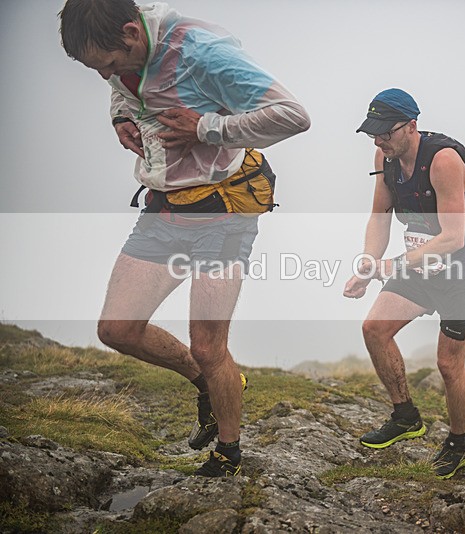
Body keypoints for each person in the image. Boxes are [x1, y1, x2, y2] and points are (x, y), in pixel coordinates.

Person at [59, 0, 310, 477]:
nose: (106, 75)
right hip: (165, 205)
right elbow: (120, 83)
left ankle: (228, 453)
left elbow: (293, 115)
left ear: (132, 33)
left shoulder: (201, 52)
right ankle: (208, 385)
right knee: (117, 330)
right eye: (97, 70)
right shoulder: (121, 43)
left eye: (109, 65)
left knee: (209, 345)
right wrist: (120, 115)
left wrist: (206, 127)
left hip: (223, 210)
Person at [344, 88, 465, 479]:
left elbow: (453, 237)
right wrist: (368, 262)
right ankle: (405, 415)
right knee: (374, 330)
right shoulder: (385, 157)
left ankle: (458, 442)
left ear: (411, 126)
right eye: (372, 133)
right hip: (420, 267)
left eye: (385, 132)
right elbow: (380, 215)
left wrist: (391, 265)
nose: (378, 140)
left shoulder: (444, 160)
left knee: (448, 364)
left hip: (463, 272)